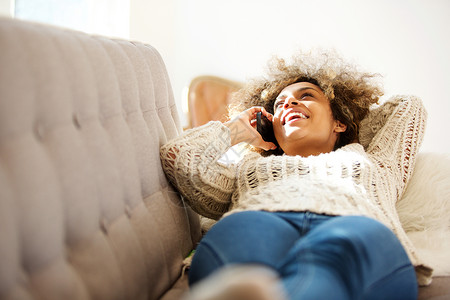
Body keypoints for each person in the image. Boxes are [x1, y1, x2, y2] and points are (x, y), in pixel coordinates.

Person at [160, 51, 432, 300]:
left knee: (336, 257)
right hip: (259, 220)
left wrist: (348, 116)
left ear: (340, 122)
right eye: (278, 106)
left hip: (353, 224)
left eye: (306, 96)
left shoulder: (378, 161)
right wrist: (235, 131)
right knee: (248, 261)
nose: (288, 102)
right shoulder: (248, 166)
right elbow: (180, 159)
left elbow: (409, 107)